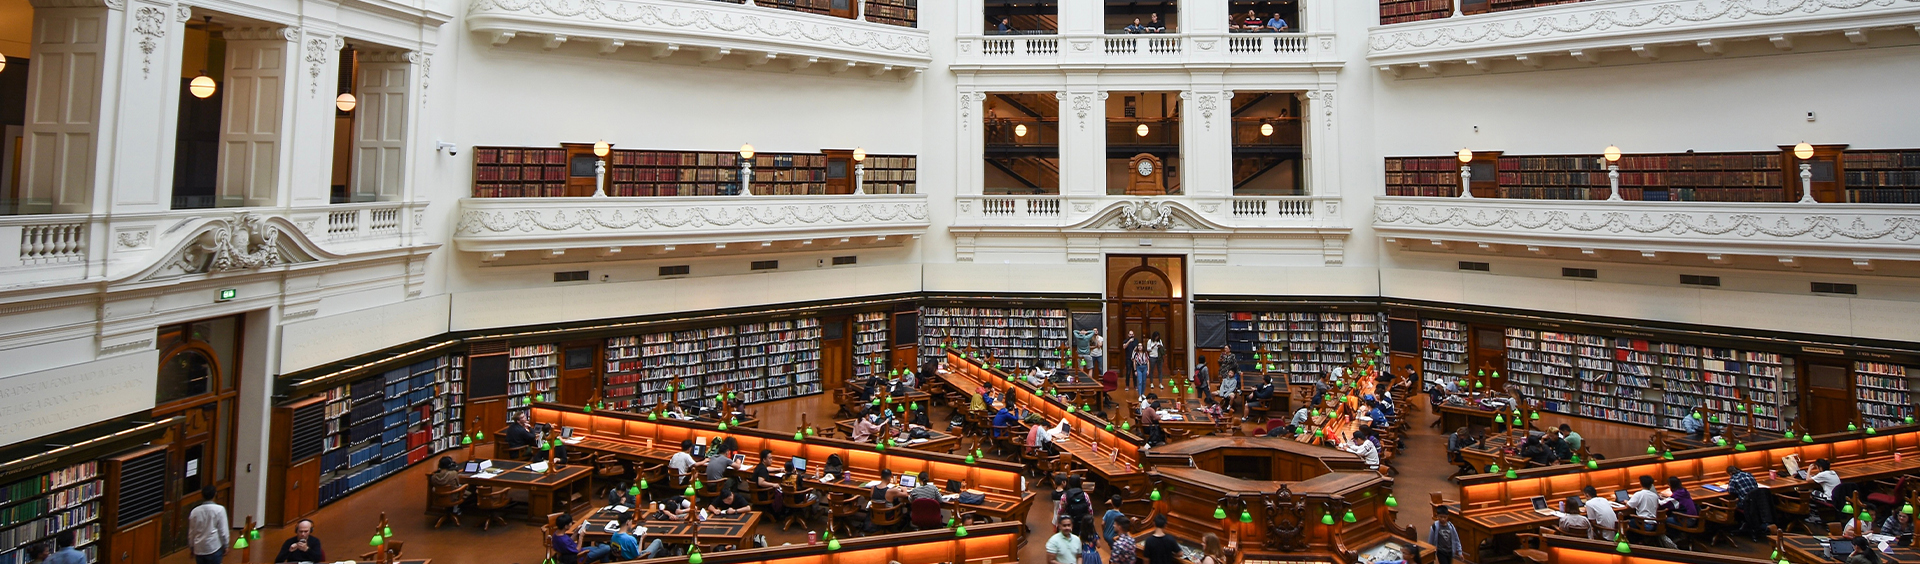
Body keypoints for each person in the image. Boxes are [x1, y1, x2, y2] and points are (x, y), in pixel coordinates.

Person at [1627, 475, 1678, 548]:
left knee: (1627, 522)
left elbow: (1628, 506)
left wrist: (1626, 501)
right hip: (1654, 524)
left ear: (1640, 484)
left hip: (1644, 524)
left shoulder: (1638, 494)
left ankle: (1635, 545)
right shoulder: (1655, 496)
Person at [1725, 465, 1772, 541]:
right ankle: (1749, 524)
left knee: (1733, 504)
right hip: (1758, 503)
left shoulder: (1733, 479)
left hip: (1746, 504)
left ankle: (1742, 524)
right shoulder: (1749, 474)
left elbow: (1731, 491)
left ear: (1730, 473)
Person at [187, 486, 228, 564]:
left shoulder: (195, 511)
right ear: (215, 494)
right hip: (214, 547)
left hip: (199, 549)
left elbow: (191, 532)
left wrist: (192, 547)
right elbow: (223, 531)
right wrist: (226, 545)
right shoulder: (220, 510)